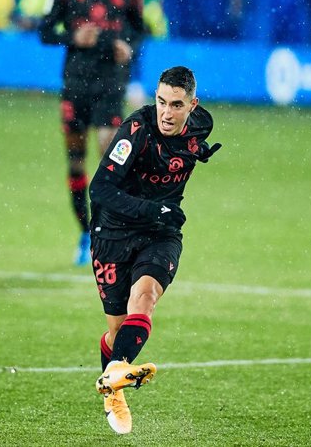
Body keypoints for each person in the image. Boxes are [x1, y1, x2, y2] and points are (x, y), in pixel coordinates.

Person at [88, 66, 221, 434]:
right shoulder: (136, 130)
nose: (166, 112)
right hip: (112, 233)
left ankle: (114, 379)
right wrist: (152, 207)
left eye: (176, 105)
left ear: (192, 106)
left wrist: (195, 153)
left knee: (144, 297)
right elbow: (100, 190)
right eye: (161, 101)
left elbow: (189, 145)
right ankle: (114, 382)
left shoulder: (201, 125)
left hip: (161, 234)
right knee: (116, 336)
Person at [38, 0, 145, 265]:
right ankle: (85, 232)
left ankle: (108, 233)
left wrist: (128, 46)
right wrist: (72, 36)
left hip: (110, 85)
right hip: (76, 85)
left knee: (109, 162)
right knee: (76, 163)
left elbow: (140, 31)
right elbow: (45, 31)